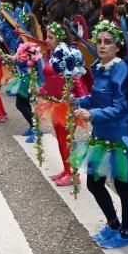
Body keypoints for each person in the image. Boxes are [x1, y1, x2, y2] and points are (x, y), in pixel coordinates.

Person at [72, 21, 128, 249]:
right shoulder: (98, 67)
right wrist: (76, 101)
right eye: (99, 42)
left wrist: (92, 113)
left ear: (118, 47)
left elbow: (121, 107)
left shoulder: (121, 69)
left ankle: (125, 234)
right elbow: (96, 98)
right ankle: (114, 224)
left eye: (108, 42)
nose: (102, 46)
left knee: (123, 187)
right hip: (101, 135)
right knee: (94, 184)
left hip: (119, 137)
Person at [39, 24, 90, 186]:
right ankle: (67, 169)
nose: (47, 40)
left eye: (51, 37)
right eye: (47, 36)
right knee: (61, 140)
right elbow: (50, 77)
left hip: (66, 105)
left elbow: (77, 80)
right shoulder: (52, 53)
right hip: (54, 103)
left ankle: (73, 174)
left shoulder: (67, 55)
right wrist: (42, 90)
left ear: (60, 39)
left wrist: (82, 103)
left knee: (66, 140)